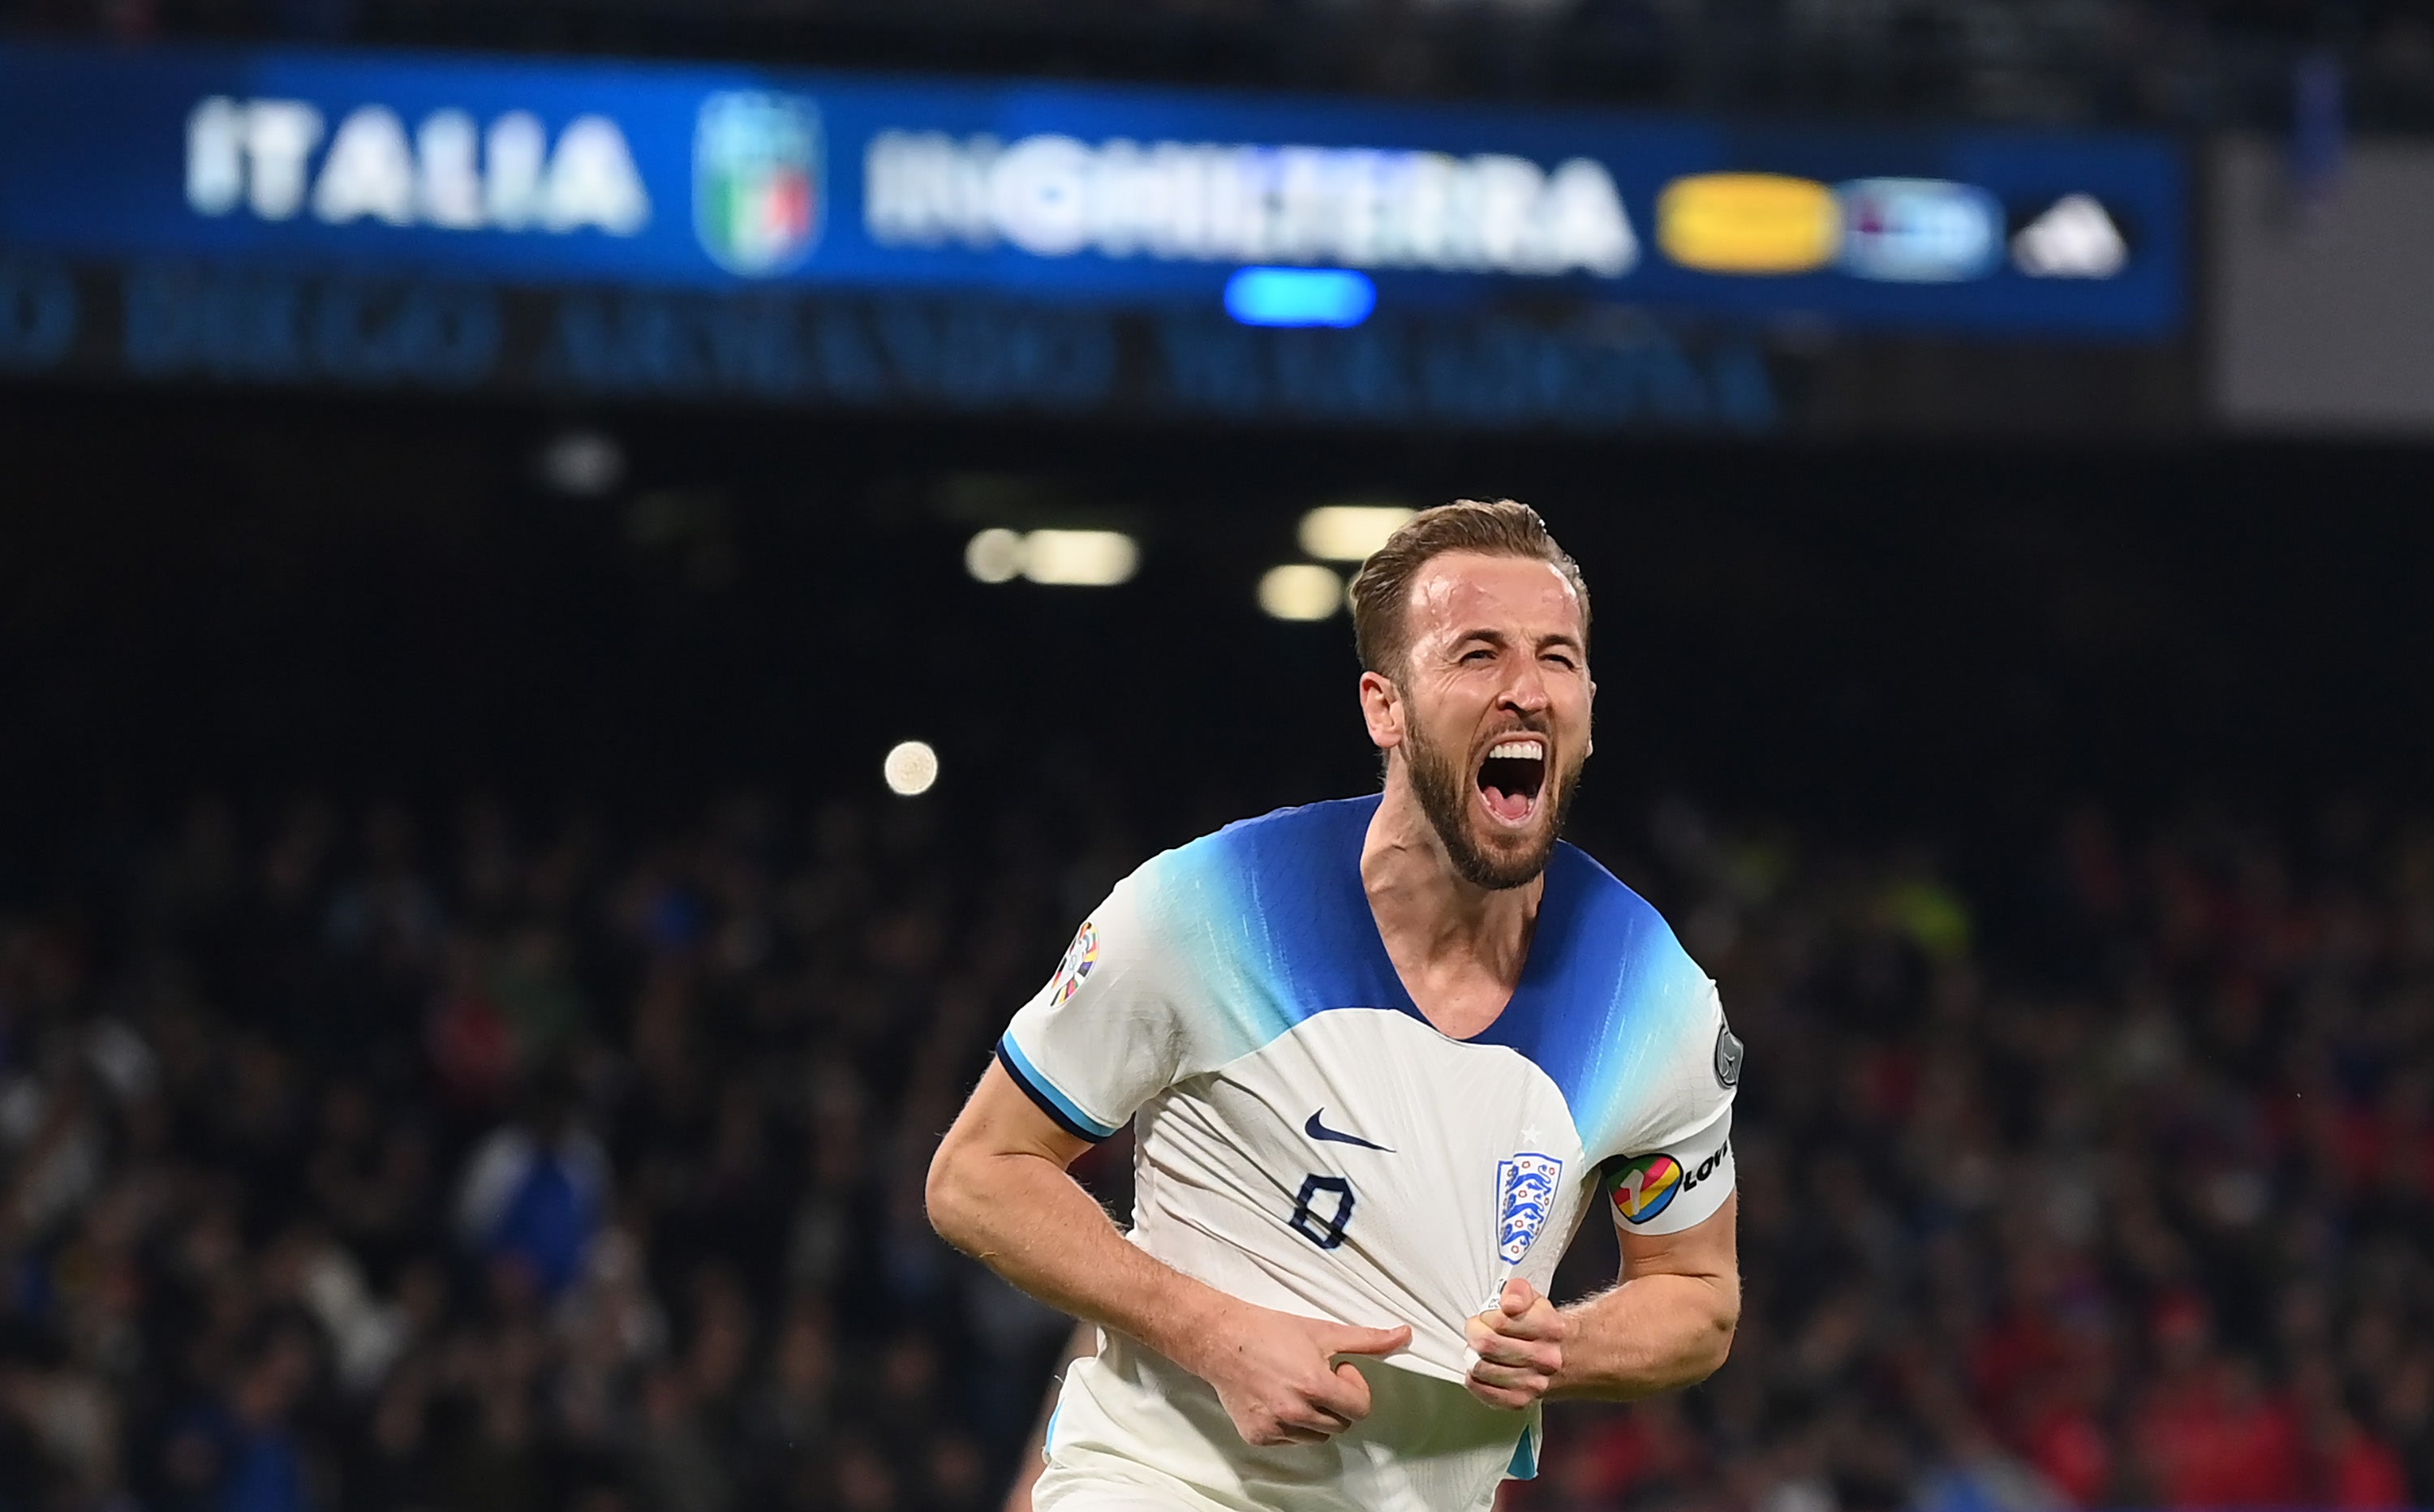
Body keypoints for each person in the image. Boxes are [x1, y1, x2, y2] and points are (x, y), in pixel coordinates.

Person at [927, 500, 1744, 1512]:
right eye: (1478, 655)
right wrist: (1214, 1333)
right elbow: (977, 1173)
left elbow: (1698, 1301)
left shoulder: (1654, 999)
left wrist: (1566, 1344)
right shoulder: (1203, 913)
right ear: (1384, 706)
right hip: (1163, 1481)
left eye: (1557, 658)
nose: (1526, 690)